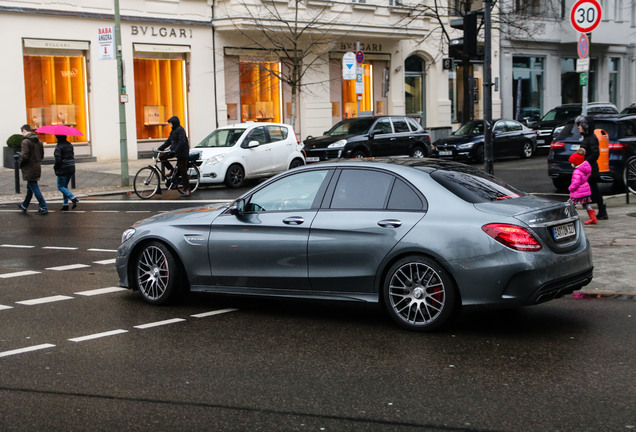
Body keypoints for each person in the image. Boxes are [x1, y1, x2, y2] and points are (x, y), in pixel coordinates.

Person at [575, 115, 608, 220]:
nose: (578, 127)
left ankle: (600, 210)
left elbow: (595, 153)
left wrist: (584, 163)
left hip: (589, 170)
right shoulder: (587, 137)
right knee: (591, 190)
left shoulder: (591, 138)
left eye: (580, 125)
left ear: (586, 126)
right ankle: (600, 210)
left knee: (590, 190)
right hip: (587, 169)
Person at [156, 116, 191, 196]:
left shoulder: (180, 130)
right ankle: (171, 170)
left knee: (183, 171)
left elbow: (181, 142)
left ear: (174, 123)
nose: (170, 125)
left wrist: (175, 150)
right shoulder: (173, 131)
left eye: (171, 123)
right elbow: (168, 141)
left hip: (182, 152)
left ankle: (187, 189)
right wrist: (160, 148)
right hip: (174, 150)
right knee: (162, 157)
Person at [17, 124, 48, 215]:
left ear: (24, 131)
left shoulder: (25, 142)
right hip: (37, 166)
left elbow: (25, 156)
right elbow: (42, 155)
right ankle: (24, 205)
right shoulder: (39, 141)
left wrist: (21, 163)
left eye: (22, 132)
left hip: (29, 168)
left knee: (34, 187)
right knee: (30, 187)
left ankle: (43, 206)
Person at [568, 152, 596, 225]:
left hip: (578, 192)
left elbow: (576, 183)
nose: (571, 164)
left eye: (572, 163)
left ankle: (571, 219)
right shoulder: (585, 169)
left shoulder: (577, 171)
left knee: (571, 205)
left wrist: (570, 188)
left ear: (576, 163)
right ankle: (593, 218)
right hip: (586, 190)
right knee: (586, 204)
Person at [53, 135, 79, 211]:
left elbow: (58, 159)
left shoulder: (59, 146)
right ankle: (65, 204)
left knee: (60, 187)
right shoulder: (70, 145)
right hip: (70, 168)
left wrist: (55, 167)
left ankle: (72, 197)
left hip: (62, 169)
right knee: (65, 186)